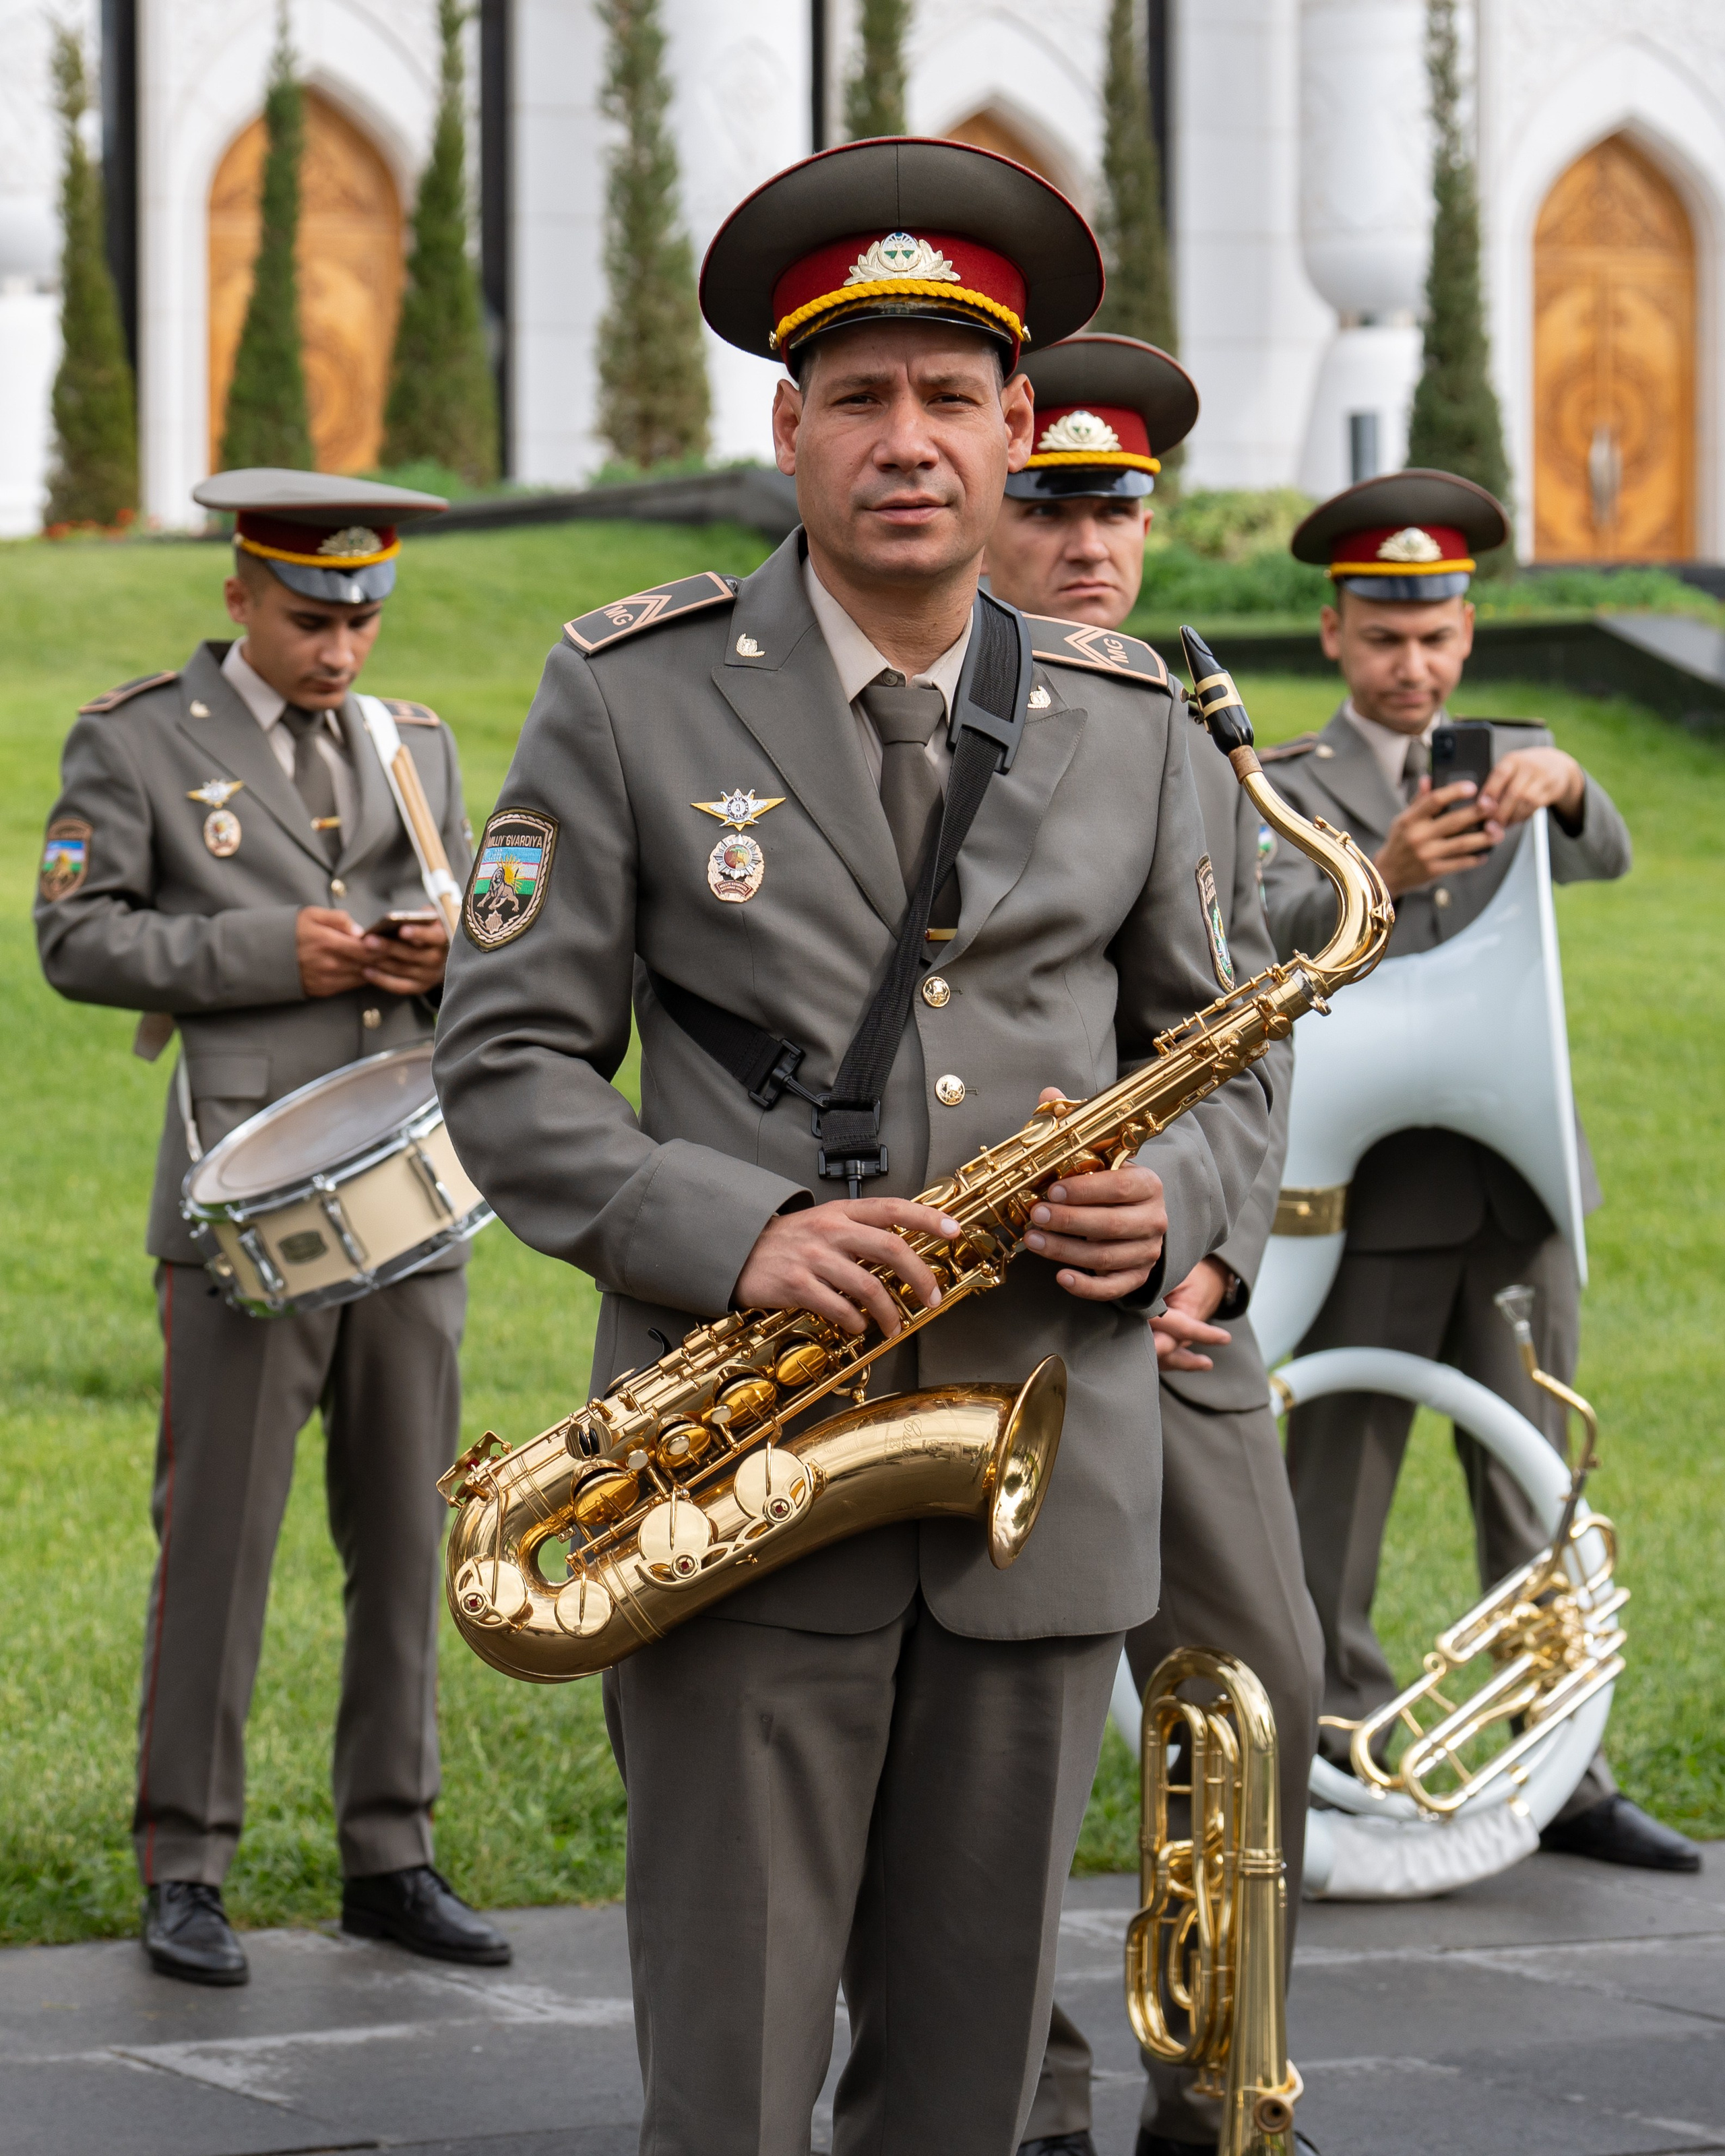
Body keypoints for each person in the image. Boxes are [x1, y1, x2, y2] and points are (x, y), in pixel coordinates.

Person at [434, 139, 1271, 2156]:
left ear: (1015, 427)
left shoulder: (1137, 715)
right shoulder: (627, 695)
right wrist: (734, 1236)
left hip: (1041, 1486)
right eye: (862, 397)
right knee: (725, 2086)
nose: (910, 440)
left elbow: (1226, 1059)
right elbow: (510, 1055)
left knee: (968, 2094)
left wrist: (1173, 1208)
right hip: (735, 1484)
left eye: (952, 397)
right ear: (787, 429)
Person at [34, 470, 513, 1986]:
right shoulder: (138, 737)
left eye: (363, 621)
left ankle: (392, 1852)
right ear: (241, 594)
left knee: (407, 1535)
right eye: (311, 619)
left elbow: (500, 929)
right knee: (221, 1544)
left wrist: (448, 956)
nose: (341, 650)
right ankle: (186, 1863)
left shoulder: (414, 741)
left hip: (408, 1202)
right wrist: (268, 949)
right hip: (240, 1203)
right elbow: (74, 935)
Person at [985, 334, 1324, 2156]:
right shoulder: (914, 709)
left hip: (1176, 1309)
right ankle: (1017, 2090)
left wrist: (1201, 1245)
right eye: (1053, 505)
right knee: (994, 1748)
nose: (1091, 544)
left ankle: (1219, 2088)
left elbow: (1244, 1032)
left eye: (1117, 510)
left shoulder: (1192, 723)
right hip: (985, 1314)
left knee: (1259, 1684)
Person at [1259, 468, 1697, 1873]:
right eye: (1385, 638)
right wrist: (1374, 873)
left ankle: (1563, 1769)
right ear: (1334, 634)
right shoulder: (1284, 783)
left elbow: (1605, 854)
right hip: (1373, 1198)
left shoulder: (1509, 757)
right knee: (1336, 1497)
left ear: (1467, 633)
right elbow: (1255, 944)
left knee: (1539, 1487)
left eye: (1437, 635)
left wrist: (1569, 785)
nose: (1414, 665)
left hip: (1513, 1191)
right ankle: (1339, 1752)